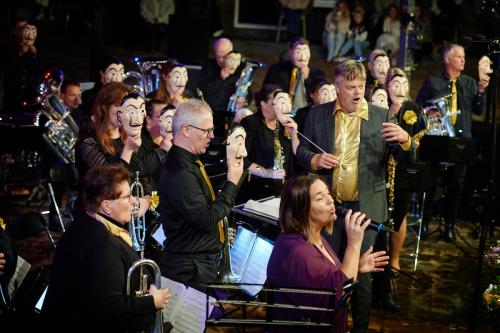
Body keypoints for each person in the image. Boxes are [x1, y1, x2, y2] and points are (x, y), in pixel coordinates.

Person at [295, 60, 415, 333]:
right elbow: (301, 152)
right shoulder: (317, 114)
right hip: (329, 209)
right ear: (337, 87)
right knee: (328, 271)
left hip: (366, 208)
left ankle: (359, 329)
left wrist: (406, 142)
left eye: (361, 86)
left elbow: (404, 157)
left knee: (363, 277)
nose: (358, 92)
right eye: (351, 87)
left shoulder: (381, 116)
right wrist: (315, 159)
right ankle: (326, 325)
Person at [42, 164, 170, 331]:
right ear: (107, 206)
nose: (134, 201)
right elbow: (108, 306)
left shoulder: (83, 222)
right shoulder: (103, 243)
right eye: (127, 197)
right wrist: (151, 302)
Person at [267, 174, 389, 333]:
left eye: (328, 193)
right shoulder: (298, 251)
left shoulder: (315, 238)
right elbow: (340, 296)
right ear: (301, 208)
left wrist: (356, 266)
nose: (331, 200)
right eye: (319, 198)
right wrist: (353, 245)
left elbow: (329, 279)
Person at [159, 99, 244, 287]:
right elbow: (205, 219)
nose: (212, 136)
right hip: (190, 271)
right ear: (186, 130)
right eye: (207, 131)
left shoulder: (188, 161)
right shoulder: (181, 172)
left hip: (196, 265)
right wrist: (232, 182)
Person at [415, 44, 489, 241]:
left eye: (464, 56)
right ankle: (424, 223)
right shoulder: (433, 81)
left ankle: (449, 225)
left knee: (456, 186)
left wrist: (481, 90)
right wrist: (429, 111)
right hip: (438, 141)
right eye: (459, 56)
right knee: (432, 184)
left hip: (461, 142)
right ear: (448, 59)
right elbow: (418, 106)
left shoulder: (469, 83)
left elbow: (479, 110)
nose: (463, 60)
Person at [75, 82, 151, 215]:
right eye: (119, 105)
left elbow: (142, 177)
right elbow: (109, 183)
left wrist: (145, 201)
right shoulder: (88, 142)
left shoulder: (125, 138)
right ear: (104, 107)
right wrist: (127, 150)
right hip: (96, 216)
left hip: (123, 213)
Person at [238, 85, 297, 204]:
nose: (282, 105)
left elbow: (297, 157)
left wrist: (294, 134)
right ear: (263, 103)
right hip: (257, 189)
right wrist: (266, 172)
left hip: (283, 189)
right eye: (277, 100)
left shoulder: (284, 125)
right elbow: (241, 158)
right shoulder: (250, 123)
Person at [263, 38, 325, 114]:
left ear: (310, 54)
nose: (302, 56)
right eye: (298, 51)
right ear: (290, 53)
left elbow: (320, 100)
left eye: (305, 51)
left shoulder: (317, 74)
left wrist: (307, 79)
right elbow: (265, 93)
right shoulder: (276, 70)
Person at [3, 19, 42, 114]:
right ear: (14, 31)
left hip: (30, 96)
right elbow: (10, 68)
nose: (25, 31)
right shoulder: (7, 47)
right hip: (13, 96)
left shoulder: (34, 49)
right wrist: (22, 52)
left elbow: (38, 70)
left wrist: (33, 52)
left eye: (27, 28)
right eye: (21, 28)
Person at [198, 38, 248, 112]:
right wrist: (220, 77)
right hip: (210, 110)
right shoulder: (208, 65)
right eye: (218, 56)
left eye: (224, 57)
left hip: (232, 111)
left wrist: (244, 99)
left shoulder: (241, 67)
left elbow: (248, 90)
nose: (221, 60)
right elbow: (203, 90)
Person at [138, 99, 174, 191]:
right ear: (149, 120)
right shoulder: (138, 140)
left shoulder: (174, 138)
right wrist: (162, 150)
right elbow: (139, 170)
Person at [80, 54, 124, 125]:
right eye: (113, 73)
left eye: (121, 73)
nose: (117, 78)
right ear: (102, 74)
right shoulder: (89, 96)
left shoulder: (123, 97)